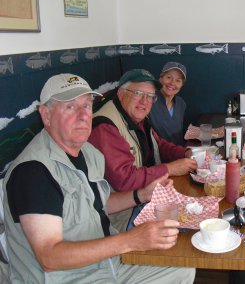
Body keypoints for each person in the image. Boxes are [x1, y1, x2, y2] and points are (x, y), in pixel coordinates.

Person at [2, 73, 195, 283]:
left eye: (86, 105)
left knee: (183, 268)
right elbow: (50, 257)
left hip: (103, 263)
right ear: (46, 114)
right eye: (70, 107)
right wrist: (130, 241)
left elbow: (97, 202)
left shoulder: (87, 152)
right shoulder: (33, 172)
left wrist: (141, 194)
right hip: (70, 277)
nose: (83, 115)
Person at [89, 69, 197, 193]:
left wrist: (186, 153)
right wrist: (170, 169)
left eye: (150, 96)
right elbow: (124, 179)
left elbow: (159, 145)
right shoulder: (105, 126)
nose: (144, 101)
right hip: (127, 208)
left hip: (147, 191)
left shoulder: (136, 116)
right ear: (120, 93)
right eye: (138, 93)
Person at [149, 62, 187, 146]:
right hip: (156, 155)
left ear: (181, 85)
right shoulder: (149, 100)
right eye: (169, 77)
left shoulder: (181, 104)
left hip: (179, 153)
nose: (172, 83)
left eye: (178, 80)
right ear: (160, 78)